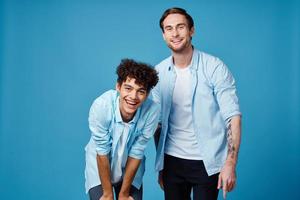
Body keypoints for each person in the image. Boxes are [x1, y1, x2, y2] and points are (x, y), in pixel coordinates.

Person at [152, 7, 242, 200]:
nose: (175, 33)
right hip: (172, 163)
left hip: (207, 163)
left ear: (191, 30)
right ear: (163, 35)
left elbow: (232, 116)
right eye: (169, 28)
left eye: (180, 27)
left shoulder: (214, 67)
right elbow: (157, 123)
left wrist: (230, 163)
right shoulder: (158, 73)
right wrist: (161, 165)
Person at [85, 59, 159, 200]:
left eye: (141, 91)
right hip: (100, 163)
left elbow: (137, 151)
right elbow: (102, 151)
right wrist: (107, 194)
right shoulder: (101, 106)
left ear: (147, 94)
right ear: (118, 87)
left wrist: (124, 194)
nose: (133, 97)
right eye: (128, 88)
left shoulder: (152, 111)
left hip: (130, 167)